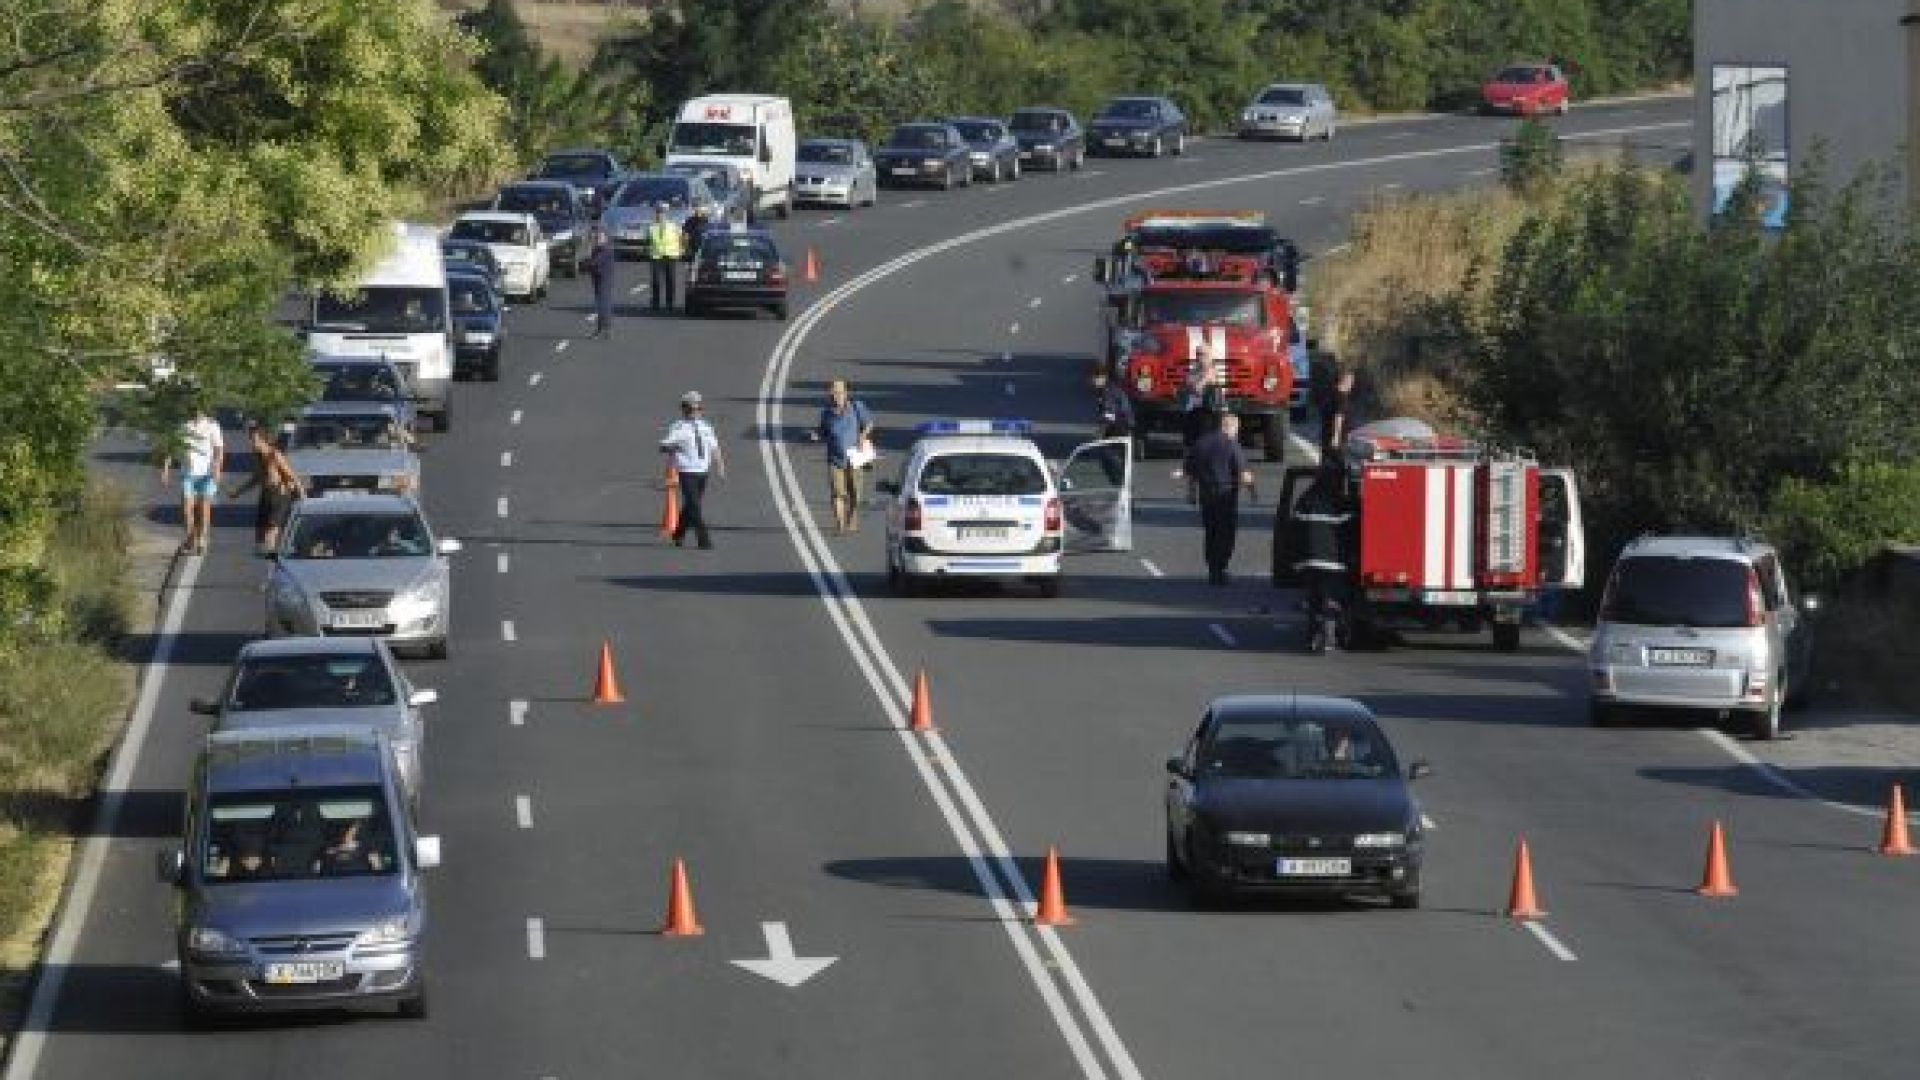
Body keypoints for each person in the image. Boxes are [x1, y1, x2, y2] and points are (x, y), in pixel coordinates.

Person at [1288, 459, 1357, 652]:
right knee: (1331, 599)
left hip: (1309, 561)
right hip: (1333, 563)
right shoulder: (1341, 503)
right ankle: (1329, 639)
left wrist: (1295, 560)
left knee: (1314, 599)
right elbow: (1351, 534)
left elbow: (1295, 533)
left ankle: (1312, 637)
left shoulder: (1305, 500)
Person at [1179, 412, 1255, 586]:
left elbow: (1191, 470)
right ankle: (1219, 567)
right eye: (1236, 429)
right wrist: (1252, 491)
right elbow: (1243, 473)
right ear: (1229, 427)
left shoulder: (1201, 443)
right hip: (1226, 495)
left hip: (1206, 494)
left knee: (1211, 531)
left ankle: (1212, 566)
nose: (1236, 433)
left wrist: (1191, 493)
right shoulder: (1231, 444)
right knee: (1226, 532)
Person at [659, 390, 724, 549]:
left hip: (703, 471)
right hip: (686, 471)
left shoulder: (706, 426)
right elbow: (664, 445)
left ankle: (678, 534)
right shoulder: (678, 427)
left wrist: (720, 464)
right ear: (684, 409)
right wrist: (673, 448)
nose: (696, 412)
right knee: (695, 506)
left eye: (698, 409)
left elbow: (714, 446)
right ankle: (704, 540)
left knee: (690, 506)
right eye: (692, 409)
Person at [227, 421, 302, 553]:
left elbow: (292, 476)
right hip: (266, 494)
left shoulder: (274, 455)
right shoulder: (257, 456)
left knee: (271, 530)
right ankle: (267, 551)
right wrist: (238, 491)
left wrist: (302, 495)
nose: (252, 442)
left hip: (279, 494)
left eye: (255, 439)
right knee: (260, 535)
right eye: (251, 438)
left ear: (263, 440)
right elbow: (257, 478)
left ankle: (271, 552)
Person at [811, 379, 874, 534]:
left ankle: (851, 519)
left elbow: (869, 423)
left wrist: (862, 436)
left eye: (838, 393)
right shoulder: (827, 413)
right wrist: (817, 435)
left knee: (855, 493)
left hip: (855, 458)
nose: (835, 396)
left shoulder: (856, 407)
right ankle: (840, 525)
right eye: (832, 393)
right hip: (835, 459)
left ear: (846, 393)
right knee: (837, 492)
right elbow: (823, 430)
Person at [161, 403, 224, 556]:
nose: (196, 411)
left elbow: (219, 449)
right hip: (188, 473)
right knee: (186, 510)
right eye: (193, 408)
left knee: (204, 508)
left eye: (199, 408)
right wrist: (166, 468)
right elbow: (172, 448)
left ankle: (202, 539)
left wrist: (217, 467)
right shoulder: (183, 426)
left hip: (207, 474)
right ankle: (190, 540)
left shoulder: (212, 425)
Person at [1180, 341, 1223, 448]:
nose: (1199, 357)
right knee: (1190, 442)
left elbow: (1197, 388)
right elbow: (1187, 386)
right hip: (1193, 411)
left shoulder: (1211, 371)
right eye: (1198, 354)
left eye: (1203, 354)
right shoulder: (1194, 371)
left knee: (1205, 443)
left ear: (1210, 356)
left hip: (1208, 413)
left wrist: (1194, 384)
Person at [647, 203, 685, 312]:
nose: (660, 215)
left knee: (670, 279)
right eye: (658, 213)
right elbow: (648, 240)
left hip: (670, 255)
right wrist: (647, 250)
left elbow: (682, 237)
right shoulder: (651, 227)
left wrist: (682, 248)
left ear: (666, 214)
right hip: (656, 255)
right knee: (656, 280)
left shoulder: (673, 226)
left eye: (662, 213)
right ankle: (655, 302)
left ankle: (670, 303)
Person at [1317, 364, 1355, 458]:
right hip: (1338, 439)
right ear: (1345, 380)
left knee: (1327, 461)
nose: (1352, 384)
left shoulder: (1331, 393)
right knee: (1338, 462)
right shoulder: (1342, 398)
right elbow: (1338, 417)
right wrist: (1336, 437)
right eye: (1351, 381)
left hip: (1326, 435)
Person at [586, 225, 616, 338]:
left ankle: (606, 329)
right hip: (597, 278)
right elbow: (591, 263)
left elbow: (594, 263)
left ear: (605, 238)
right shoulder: (597, 249)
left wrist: (586, 263)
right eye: (596, 237)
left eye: (600, 237)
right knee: (600, 304)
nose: (597, 239)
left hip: (605, 279)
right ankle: (601, 329)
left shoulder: (606, 250)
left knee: (604, 304)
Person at [1093, 371, 1133, 439]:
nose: (1096, 381)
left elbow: (1122, 408)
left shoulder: (1112, 391)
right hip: (1117, 420)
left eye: (1098, 378)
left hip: (1121, 420)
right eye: (1095, 378)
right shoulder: (1103, 391)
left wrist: (1107, 416)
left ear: (1105, 378)